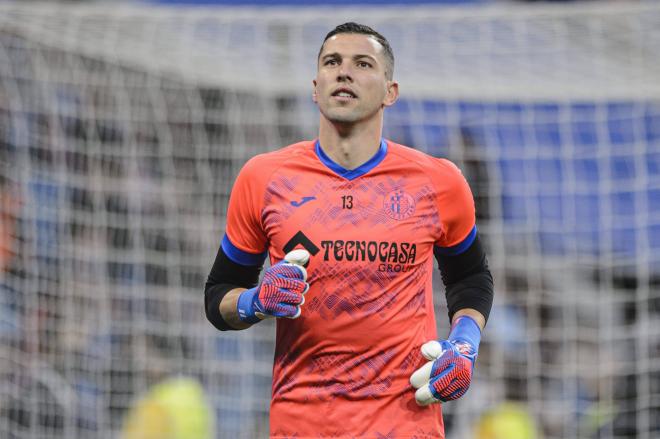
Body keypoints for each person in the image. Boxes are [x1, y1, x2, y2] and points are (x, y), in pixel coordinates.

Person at [205, 22, 494, 439]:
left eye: (363, 63)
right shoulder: (264, 178)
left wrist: (464, 343)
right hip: (301, 426)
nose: (344, 72)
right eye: (332, 62)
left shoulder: (439, 182)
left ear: (390, 92)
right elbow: (218, 295)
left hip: (405, 425)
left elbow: (470, 277)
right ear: (315, 87)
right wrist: (255, 301)